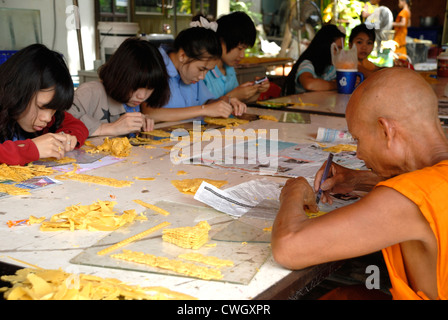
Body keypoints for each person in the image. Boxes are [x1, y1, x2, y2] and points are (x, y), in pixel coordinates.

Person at [272, 67, 448, 300]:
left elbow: (288, 247)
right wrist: (359, 179)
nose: (358, 154)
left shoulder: (408, 200)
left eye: (358, 139)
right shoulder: (431, 182)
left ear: (386, 130)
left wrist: (292, 191)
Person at [0, 44, 89, 166]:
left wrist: (65, 137)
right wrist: (31, 149)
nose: (47, 118)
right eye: (41, 107)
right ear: (17, 92)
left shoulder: (49, 117)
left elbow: (77, 126)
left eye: (54, 110)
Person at [141, 25, 247, 122]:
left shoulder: (191, 74)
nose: (202, 76)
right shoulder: (155, 65)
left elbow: (206, 102)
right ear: (182, 55)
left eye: (207, 71)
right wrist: (203, 110)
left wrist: (226, 101)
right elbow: (148, 113)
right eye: (201, 69)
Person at [69, 37, 169, 136]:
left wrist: (142, 121)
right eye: (135, 87)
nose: (142, 96)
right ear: (119, 75)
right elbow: (61, 119)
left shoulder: (134, 104)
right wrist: (109, 128)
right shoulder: (90, 91)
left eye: (150, 88)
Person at [203, 12, 270, 104]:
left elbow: (238, 102)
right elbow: (200, 111)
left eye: (244, 49)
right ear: (221, 40)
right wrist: (233, 96)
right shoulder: (202, 71)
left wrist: (256, 90)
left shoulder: (229, 69)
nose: (242, 55)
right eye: (239, 48)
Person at [283, 24, 345, 95]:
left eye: (342, 49)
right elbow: (309, 84)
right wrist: (337, 84)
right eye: (336, 48)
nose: (340, 53)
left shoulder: (331, 68)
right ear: (325, 46)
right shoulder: (307, 64)